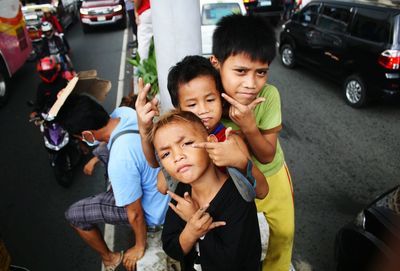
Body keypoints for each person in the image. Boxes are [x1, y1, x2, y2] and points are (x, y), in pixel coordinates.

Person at [210, 14, 295, 271]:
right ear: (216, 64)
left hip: (272, 174)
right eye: (240, 71)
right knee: (241, 240)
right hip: (231, 184)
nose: (251, 84)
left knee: (283, 234)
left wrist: (248, 126)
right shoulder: (208, 98)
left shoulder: (268, 96)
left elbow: (267, 155)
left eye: (261, 72)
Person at [56, 95, 170, 271]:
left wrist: (139, 246)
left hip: (152, 213)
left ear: (86, 134)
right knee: (103, 150)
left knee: (74, 215)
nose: (81, 140)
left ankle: (110, 258)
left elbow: (136, 214)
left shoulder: (120, 160)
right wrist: (94, 160)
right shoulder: (125, 113)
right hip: (157, 186)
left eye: (79, 137)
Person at [135, 55, 268, 201]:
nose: (203, 110)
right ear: (179, 108)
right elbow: (154, 163)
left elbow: (262, 192)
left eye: (210, 100)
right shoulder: (175, 137)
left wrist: (241, 162)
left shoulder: (230, 141)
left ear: (221, 99)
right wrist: (144, 130)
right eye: (192, 105)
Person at [152, 110, 261, 271]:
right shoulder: (183, 192)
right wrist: (190, 232)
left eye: (186, 143)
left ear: (210, 142)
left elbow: (233, 264)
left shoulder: (238, 199)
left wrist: (199, 228)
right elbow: (171, 246)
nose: (177, 156)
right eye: (166, 153)